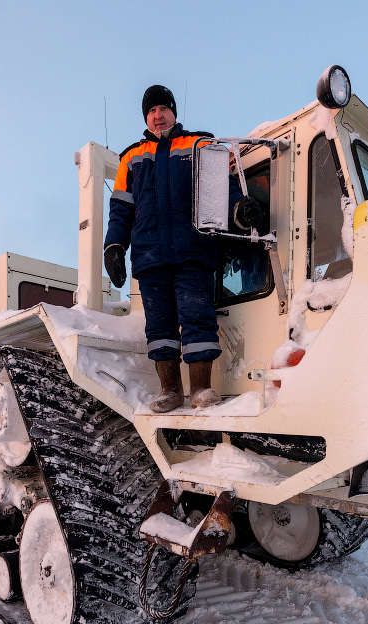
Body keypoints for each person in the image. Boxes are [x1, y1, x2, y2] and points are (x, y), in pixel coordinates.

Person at [104, 85, 263, 413]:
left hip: (193, 250)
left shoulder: (199, 145)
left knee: (197, 318)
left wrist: (239, 210)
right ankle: (171, 390)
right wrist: (115, 247)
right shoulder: (130, 158)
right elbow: (121, 210)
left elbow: (223, 188)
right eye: (151, 111)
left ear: (174, 113)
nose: (157, 115)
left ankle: (202, 388)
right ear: (146, 118)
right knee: (159, 327)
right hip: (150, 257)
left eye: (163, 108)